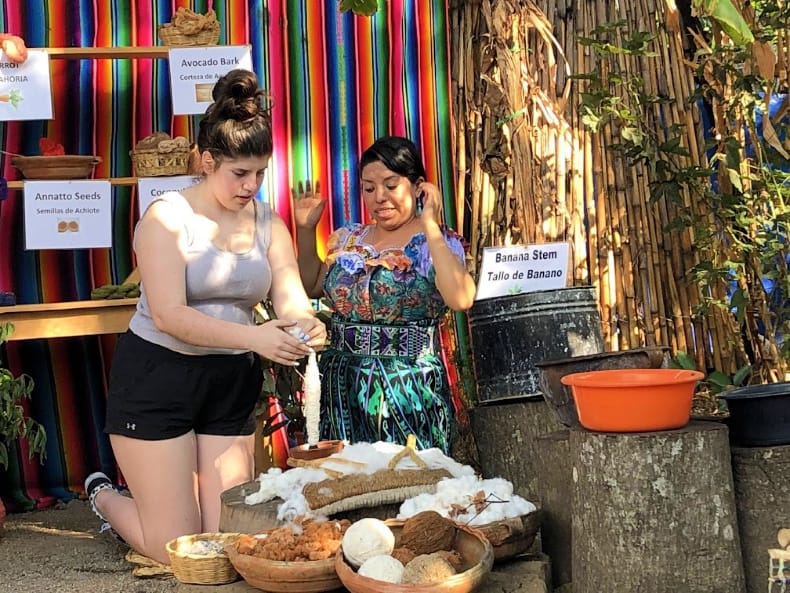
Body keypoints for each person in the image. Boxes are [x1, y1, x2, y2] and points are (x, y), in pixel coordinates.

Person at [84, 69, 326, 565]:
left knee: (229, 547)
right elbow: (170, 315)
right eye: (239, 174)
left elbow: (290, 296)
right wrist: (254, 337)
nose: (251, 186)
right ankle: (104, 497)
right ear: (207, 161)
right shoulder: (166, 219)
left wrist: (307, 324)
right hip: (158, 376)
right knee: (178, 549)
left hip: (229, 379)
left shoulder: (266, 221)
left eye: (260, 173)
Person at [294, 135, 476, 454]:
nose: (380, 197)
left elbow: (461, 299)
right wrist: (306, 231)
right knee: (349, 485)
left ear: (417, 186)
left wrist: (431, 225)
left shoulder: (436, 243)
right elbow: (313, 286)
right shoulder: (350, 239)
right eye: (369, 188)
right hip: (343, 385)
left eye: (391, 185)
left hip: (410, 387)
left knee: (412, 484)